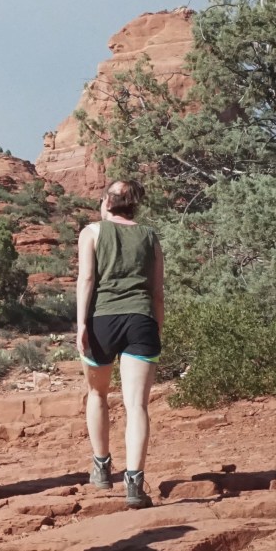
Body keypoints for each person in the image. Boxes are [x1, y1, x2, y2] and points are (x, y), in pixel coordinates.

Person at [75, 179, 164, 509]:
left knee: (97, 392)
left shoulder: (92, 232)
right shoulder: (150, 236)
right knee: (136, 406)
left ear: (105, 202)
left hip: (102, 321)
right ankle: (134, 484)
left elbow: (86, 279)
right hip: (141, 320)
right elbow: (157, 293)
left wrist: (81, 323)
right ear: (134, 206)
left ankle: (101, 468)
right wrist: (157, 326)